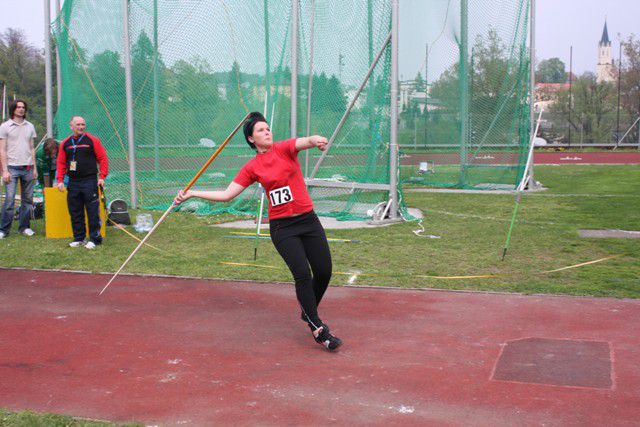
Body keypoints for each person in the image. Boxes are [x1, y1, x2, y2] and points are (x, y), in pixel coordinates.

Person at [174, 112, 342, 351]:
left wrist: (317, 140)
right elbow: (226, 195)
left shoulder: (284, 149)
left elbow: (305, 141)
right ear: (251, 139)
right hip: (283, 228)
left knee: (324, 271)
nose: (267, 132)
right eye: (261, 130)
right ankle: (318, 328)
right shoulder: (252, 167)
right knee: (302, 274)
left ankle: (308, 310)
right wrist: (192, 193)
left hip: (309, 221)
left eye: (268, 128)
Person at [56, 116, 109, 250]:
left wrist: (102, 176)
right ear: (71, 126)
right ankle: (79, 238)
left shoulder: (92, 140)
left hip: (89, 181)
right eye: (78, 124)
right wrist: (60, 180)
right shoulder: (65, 143)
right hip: (73, 182)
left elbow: (102, 158)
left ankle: (95, 239)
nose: (81, 127)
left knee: (92, 211)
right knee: (75, 211)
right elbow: (61, 162)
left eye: (83, 124)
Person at [0, 99, 38, 239]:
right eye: (18, 107)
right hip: (12, 168)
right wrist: (4, 170)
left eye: (23, 107)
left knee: (27, 200)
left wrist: (34, 168)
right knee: (9, 200)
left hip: (28, 167)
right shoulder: (5, 126)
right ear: (13, 109)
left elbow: (32, 148)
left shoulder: (30, 126)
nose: (21, 109)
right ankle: (4, 230)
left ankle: (24, 227)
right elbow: (2, 150)